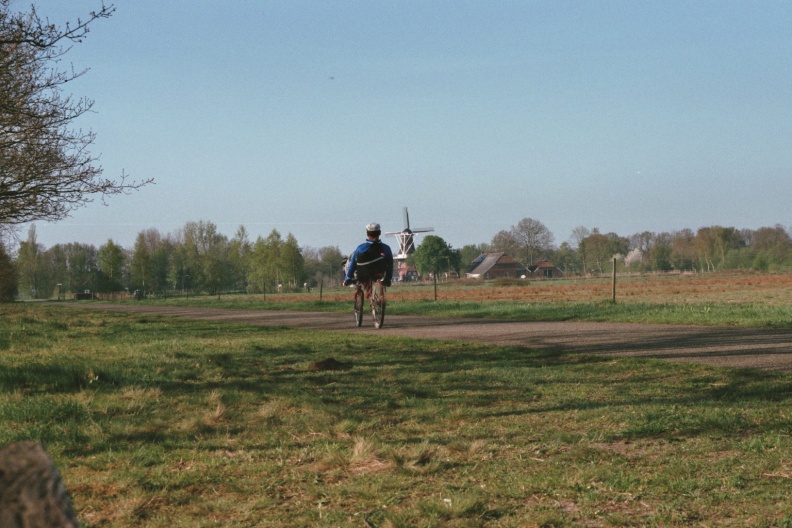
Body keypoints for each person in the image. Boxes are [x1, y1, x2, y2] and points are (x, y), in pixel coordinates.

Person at [344, 223, 394, 287]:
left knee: (351, 258)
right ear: (379, 233)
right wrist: (388, 279)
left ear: (367, 234)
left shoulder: (360, 248)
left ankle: (347, 279)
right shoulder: (386, 248)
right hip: (379, 273)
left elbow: (352, 264)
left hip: (362, 274)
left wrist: (348, 278)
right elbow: (390, 265)